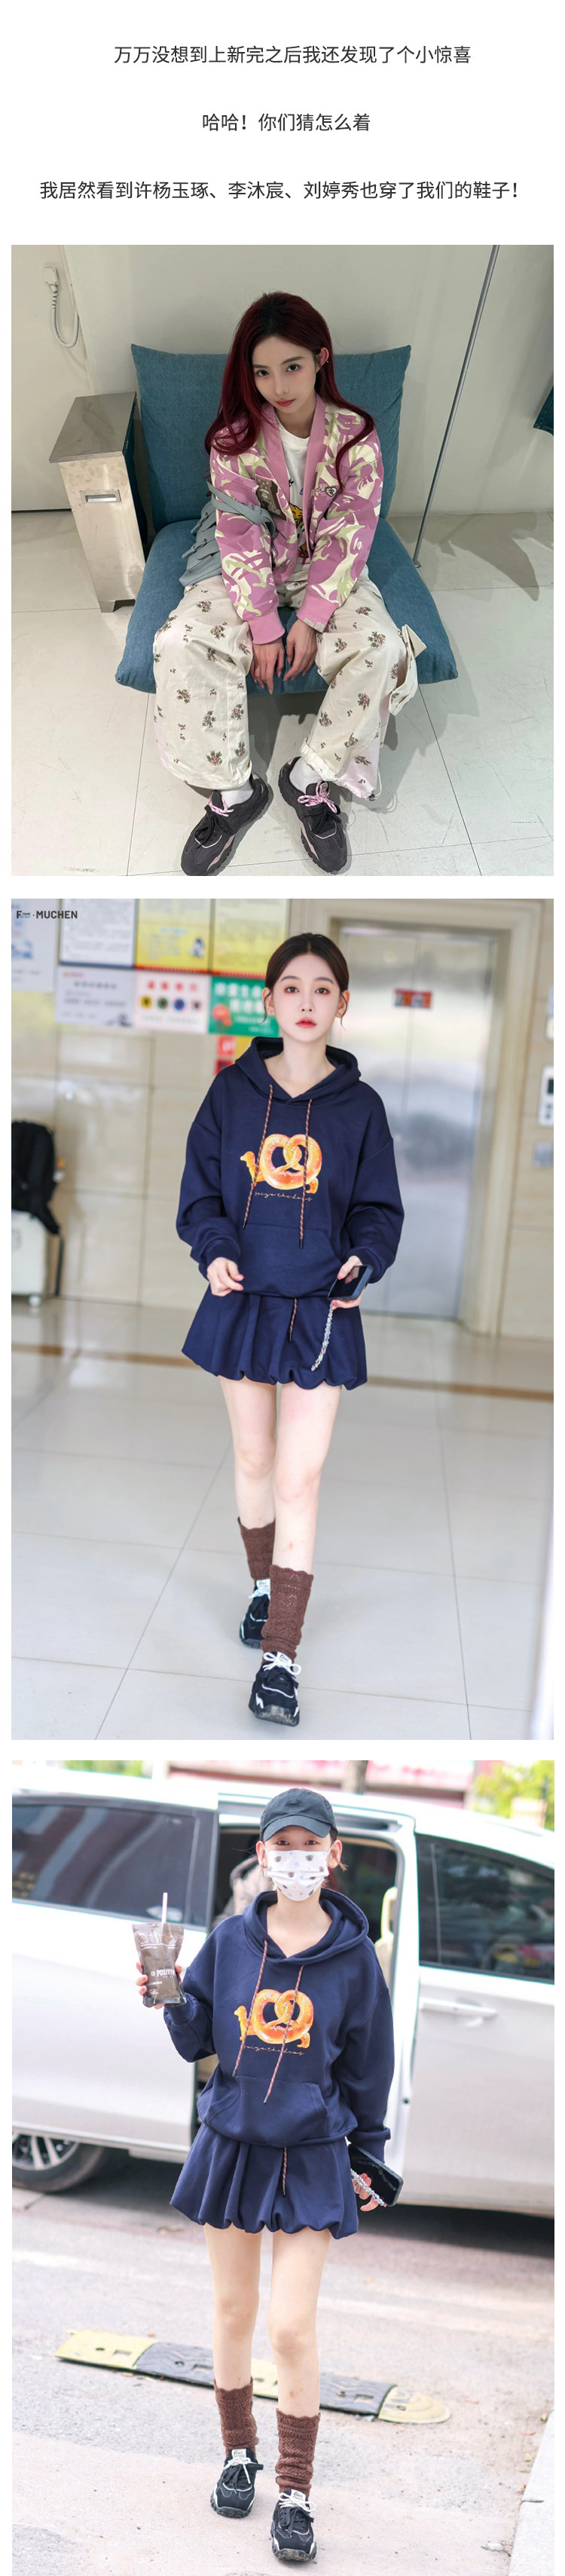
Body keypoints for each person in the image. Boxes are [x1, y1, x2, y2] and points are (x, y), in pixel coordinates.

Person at [136, 1786, 396, 2566]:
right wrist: (165, 1991)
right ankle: (238, 2454)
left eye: (311, 1846)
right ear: (262, 1855)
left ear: (334, 1854)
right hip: (234, 2143)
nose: (297, 1860)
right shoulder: (230, 1941)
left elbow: (369, 2068)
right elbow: (196, 2041)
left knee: (289, 2327)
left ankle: (296, 2491)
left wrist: (369, 2154)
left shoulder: (354, 1959)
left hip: (313, 2151)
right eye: (284, 1847)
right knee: (232, 2310)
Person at [176, 932, 404, 1726]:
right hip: (243, 1300)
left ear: (343, 1004)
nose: (307, 1002)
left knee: (298, 1480)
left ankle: (281, 1658)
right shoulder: (231, 1093)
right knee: (253, 1456)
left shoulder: (362, 1109)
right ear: (269, 1000)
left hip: (320, 1312)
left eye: (323, 989)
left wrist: (365, 1258)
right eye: (293, 988)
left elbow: (378, 1210)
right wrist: (214, 1251)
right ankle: (262, 1584)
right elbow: (201, 1195)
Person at [153, 291, 422, 875]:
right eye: (262, 372)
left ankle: (309, 778)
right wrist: (265, 626)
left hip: (329, 569)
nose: (278, 385)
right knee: (178, 640)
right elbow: (238, 535)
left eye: (293, 366)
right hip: (246, 569)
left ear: (321, 359)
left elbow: (352, 531)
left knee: (383, 649)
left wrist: (313, 618)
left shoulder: (357, 436)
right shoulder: (234, 440)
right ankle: (233, 792)